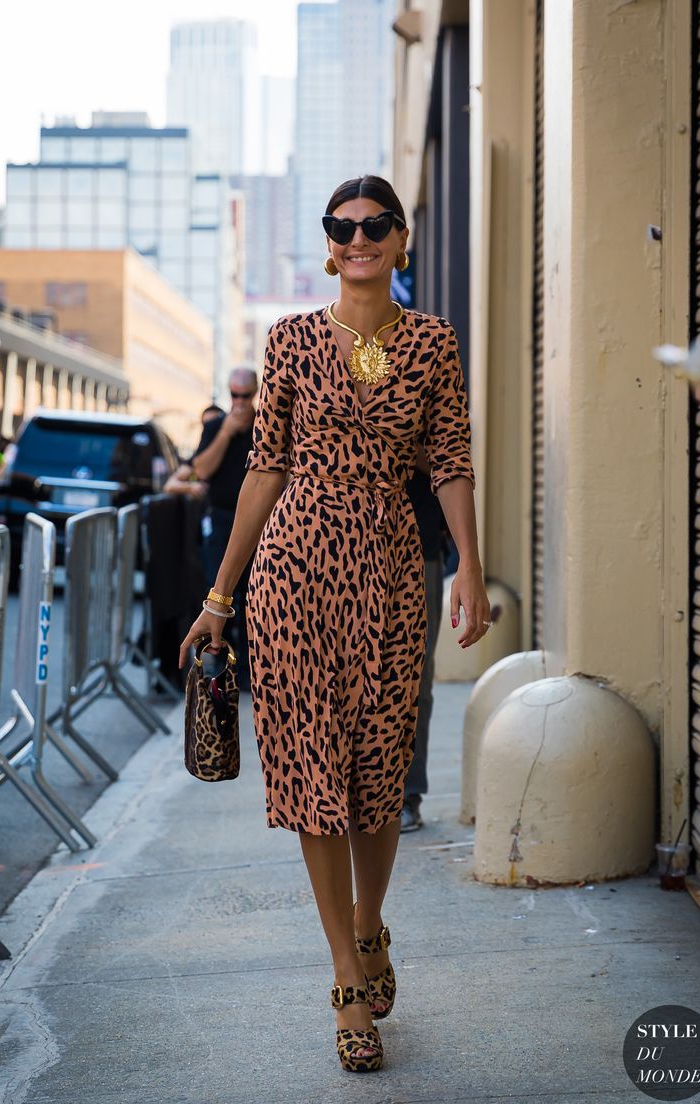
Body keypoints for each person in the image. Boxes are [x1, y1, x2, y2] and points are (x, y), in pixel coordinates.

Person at [179, 175, 491, 1073]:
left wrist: (468, 563)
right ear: (328, 242)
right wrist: (219, 596)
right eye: (342, 226)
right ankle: (346, 974)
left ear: (400, 240)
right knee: (312, 762)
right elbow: (265, 467)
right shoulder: (289, 340)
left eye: (374, 226)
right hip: (295, 569)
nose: (357, 238)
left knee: (380, 763)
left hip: (393, 566)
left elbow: (452, 460)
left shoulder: (432, 342)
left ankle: (369, 918)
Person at [192, 379, 258, 691]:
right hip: (221, 520)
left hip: (257, 521)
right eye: (235, 395)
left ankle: (248, 666)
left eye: (246, 395)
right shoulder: (217, 425)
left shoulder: (265, 422)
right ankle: (216, 659)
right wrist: (226, 433)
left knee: (252, 594)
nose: (241, 402)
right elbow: (201, 469)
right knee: (217, 588)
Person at [400, 443, 448, 832]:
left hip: (420, 548)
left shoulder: (426, 381)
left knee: (414, 680)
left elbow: (450, 465)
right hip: (347, 547)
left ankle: (407, 795)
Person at [162, 405, 223, 500]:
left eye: (215, 424)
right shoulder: (197, 457)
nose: (210, 429)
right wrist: (190, 487)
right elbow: (170, 485)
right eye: (206, 425)